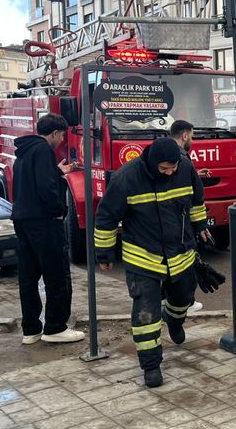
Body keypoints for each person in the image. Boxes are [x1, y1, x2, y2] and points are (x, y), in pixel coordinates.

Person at [95, 137, 225, 388]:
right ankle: (151, 366)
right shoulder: (126, 178)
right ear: (153, 163)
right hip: (143, 256)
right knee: (146, 313)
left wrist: (200, 227)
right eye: (164, 168)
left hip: (180, 252)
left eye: (173, 167)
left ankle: (175, 321)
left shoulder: (185, 168)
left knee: (183, 297)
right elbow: (106, 217)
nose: (170, 172)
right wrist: (104, 254)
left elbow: (196, 202)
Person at [11, 114, 84, 344]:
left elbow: (35, 182)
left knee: (29, 277)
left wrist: (58, 173)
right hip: (44, 222)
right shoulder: (43, 150)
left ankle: (31, 330)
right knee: (57, 274)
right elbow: (45, 188)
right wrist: (58, 210)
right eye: (62, 135)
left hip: (23, 220)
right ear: (54, 133)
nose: (62, 140)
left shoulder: (25, 151)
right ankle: (55, 327)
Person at [169, 120, 209, 313]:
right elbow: (195, 195)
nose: (191, 140)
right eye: (192, 136)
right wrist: (201, 225)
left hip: (169, 219)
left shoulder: (165, 156)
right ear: (185, 135)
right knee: (186, 261)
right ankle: (187, 302)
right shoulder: (182, 158)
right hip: (182, 220)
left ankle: (167, 298)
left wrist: (196, 173)